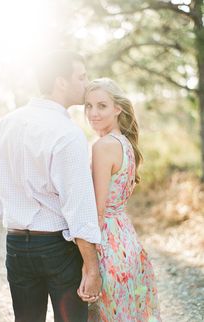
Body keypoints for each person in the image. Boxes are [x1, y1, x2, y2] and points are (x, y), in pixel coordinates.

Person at [0, 51, 102, 322]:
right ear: (61, 82)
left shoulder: (6, 123)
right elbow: (78, 207)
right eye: (81, 76)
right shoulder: (67, 132)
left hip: (15, 243)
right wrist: (91, 266)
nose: (87, 83)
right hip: (56, 247)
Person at [81, 78, 161, 321]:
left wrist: (88, 265)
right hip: (127, 242)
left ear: (118, 108)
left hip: (108, 247)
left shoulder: (103, 146)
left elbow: (97, 210)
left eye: (102, 106)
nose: (93, 113)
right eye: (88, 106)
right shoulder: (126, 144)